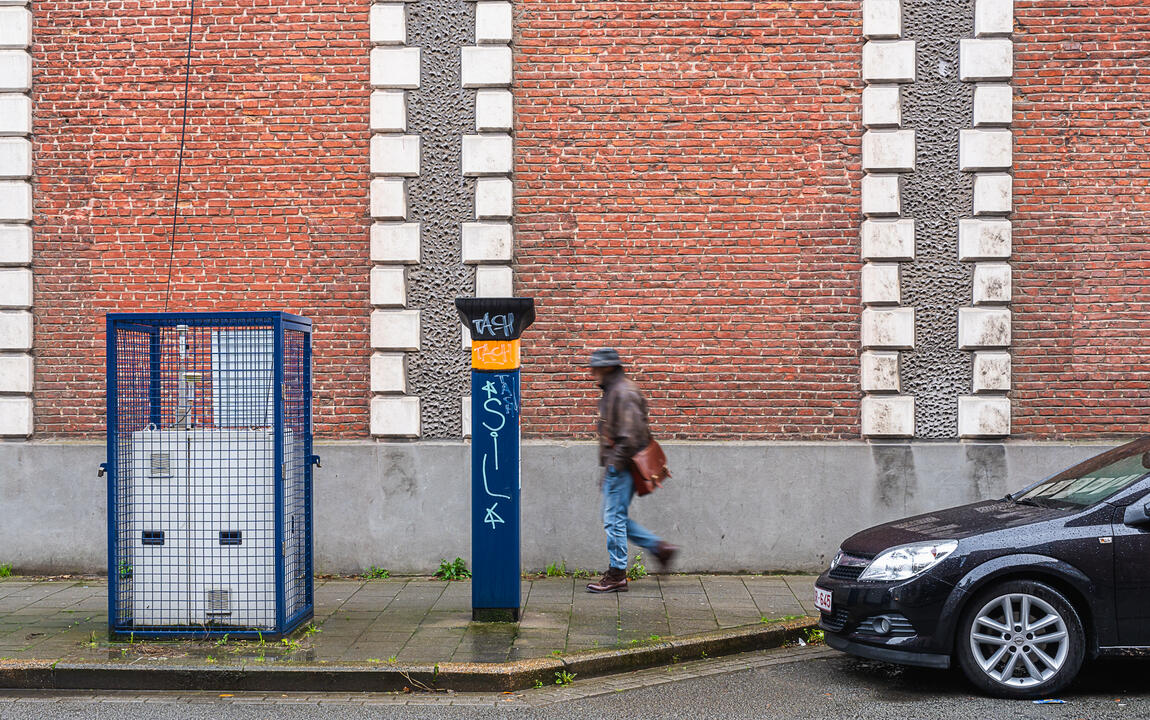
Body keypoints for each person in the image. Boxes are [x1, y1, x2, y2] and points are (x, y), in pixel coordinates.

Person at [585, 348, 678, 593]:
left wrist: (614, 466)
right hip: (618, 465)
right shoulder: (615, 390)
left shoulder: (623, 392)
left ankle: (617, 574)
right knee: (615, 518)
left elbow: (630, 436)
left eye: (596, 367)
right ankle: (660, 549)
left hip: (623, 466)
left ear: (607, 367)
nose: (592, 372)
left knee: (613, 520)